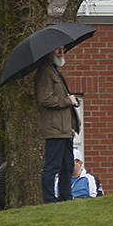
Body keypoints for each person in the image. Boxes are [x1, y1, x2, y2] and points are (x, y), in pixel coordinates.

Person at [35, 45, 80, 203]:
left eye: (62, 48)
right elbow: (44, 99)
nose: (61, 51)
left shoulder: (55, 71)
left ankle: (66, 197)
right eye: (56, 49)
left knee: (67, 166)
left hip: (65, 130)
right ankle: (49, 200)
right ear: (49, 52)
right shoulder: (45, 72)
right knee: (52, 167)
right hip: (55, 129)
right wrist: (67, 100)